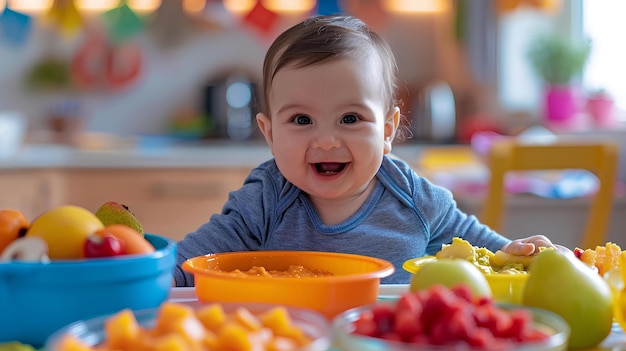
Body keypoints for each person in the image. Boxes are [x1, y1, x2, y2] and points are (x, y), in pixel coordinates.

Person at [174, 14, 560, 286]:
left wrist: (520, 252)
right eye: (302, 121)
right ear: (269, 133)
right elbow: (186, 265)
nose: (326, 141)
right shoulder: (263, 202)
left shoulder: (415, 198)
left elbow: (487, 252)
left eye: (350, 119)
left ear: (388, 130)